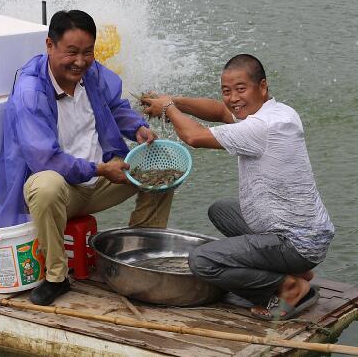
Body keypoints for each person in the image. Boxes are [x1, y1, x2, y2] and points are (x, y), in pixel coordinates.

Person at [0, 10, 174, 306]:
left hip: (100, 178)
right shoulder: (30, 92)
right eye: (72, 52)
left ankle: (138, 256)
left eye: (88, 52)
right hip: (63, 191)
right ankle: (56, 276)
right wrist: (100, 169)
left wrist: (137, 128)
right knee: (45, 186)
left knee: (165, 170)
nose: (80, 62)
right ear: (50, 45)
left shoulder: (92, 74)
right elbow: (45, 160)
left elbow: (115, 106)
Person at [142, 54, 334, 320]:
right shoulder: (281, 112)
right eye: (226, 91)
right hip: (309, 235)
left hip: (296, 244)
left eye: (241, 89)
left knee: (202, 261)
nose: (233, 98)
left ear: (263, 87)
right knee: (221, 210)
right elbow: (221, 111)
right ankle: (297, 271)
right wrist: (173, 100)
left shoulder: (261, 127)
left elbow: (194, 137)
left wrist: (168, 109)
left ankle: (288, 287)